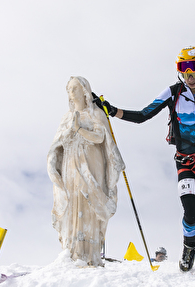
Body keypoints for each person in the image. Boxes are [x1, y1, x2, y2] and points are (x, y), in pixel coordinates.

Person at [93, 46, 195, 276]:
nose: (189, 76)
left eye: (193, 70)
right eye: (183, 70)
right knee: (192, 209)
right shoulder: (173, 93)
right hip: (185, 161)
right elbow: (143, 115)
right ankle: (190, 247)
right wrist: (111, 110)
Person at [47, 76, 125, 267]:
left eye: (74, 89)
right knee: (73, 201)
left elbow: (100, 137)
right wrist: (67, 135)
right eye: (69, 90)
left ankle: (90, 254)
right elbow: (58, 142)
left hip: (91, 164)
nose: (71, 94)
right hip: (70, 164)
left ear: (84, 91)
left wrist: (80, 130)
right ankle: (72, 251)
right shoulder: (66, 117)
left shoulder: (95, 114)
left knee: (89, 202)